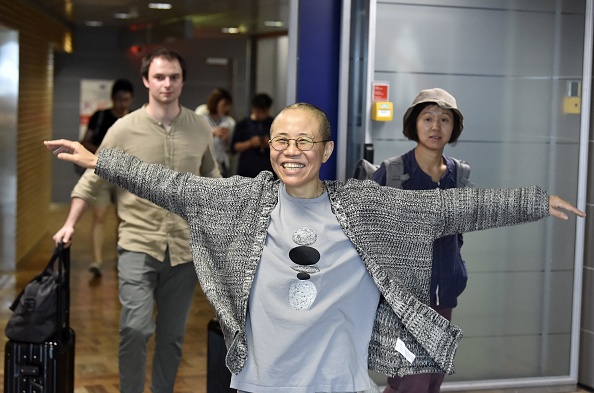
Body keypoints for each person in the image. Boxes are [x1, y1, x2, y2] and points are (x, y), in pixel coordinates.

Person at [45, 103, 585, 393]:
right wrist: (100, 161)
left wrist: (535, 201)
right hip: (259, 383)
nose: (290, 150)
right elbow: (175, 186)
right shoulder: (243, 201)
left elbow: (451, 208)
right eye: (281, 139)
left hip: (340, 385)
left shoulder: (367, 206)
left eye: (304, 140)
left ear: (326, 150)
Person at [51, 48, 221, 393]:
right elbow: (92, 178)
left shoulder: (200, 127)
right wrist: (69, 223)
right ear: (146, 80)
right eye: (159, 77)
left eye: (174, 77)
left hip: (186, 251)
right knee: (136, 328)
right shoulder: (123, 129)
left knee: (172, 337)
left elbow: (211, 177)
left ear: (183, 80)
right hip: (137, 243)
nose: (167, 84)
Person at [371, 88, 469, 393]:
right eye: (427, 118)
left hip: (443, 295)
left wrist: (455, 271)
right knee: (413, 379)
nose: (435, 127)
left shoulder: (460, 174)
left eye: (444, 119)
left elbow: (459, 234)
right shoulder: (394, 172)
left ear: (454, 128)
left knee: (429, 381)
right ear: (414, 124)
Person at [78, 78, 134, 278]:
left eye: (126, 100)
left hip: (124, 176)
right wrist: (104, 153)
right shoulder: (100, 117)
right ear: (112, 99)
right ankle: (97, 261)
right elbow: (85, 142)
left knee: (123, 218)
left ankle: (121, 256)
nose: (123, 104)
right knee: (99, 216)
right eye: (120, 99)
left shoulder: (134, 121)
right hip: (101, 173)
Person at [231, 93, 275, 178]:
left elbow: (281, 145)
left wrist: (268, 143)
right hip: (246, 172)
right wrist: (250, 143)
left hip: (268, 171)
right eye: (258, 112)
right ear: (253, 108)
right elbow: (234, 147)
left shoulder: (274, 123)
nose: (261, 115)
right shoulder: (243, 124)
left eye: (264, 112)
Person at [196, 87, 236, 177]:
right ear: (215, 103)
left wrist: (226, 139)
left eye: (228, 106)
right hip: (203, 161)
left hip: (220, 162)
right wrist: (212, 133)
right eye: (224, 105)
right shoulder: (201, 115)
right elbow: (195, 138)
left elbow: (231, 147)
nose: (226, 109)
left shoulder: (229, 122)